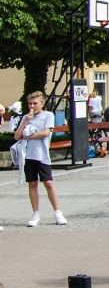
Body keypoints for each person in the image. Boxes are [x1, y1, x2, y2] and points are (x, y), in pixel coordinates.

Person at [15, 91, 65, 227]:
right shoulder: (26, 117)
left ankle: (57, 212)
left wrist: (30, 136)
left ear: (42, 104)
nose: (32, 106)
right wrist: (25, 121)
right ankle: (35, 213)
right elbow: (17, 136)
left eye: (35, 103)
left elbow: (46, 133)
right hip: (28, 155)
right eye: (30, 103)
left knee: (48, 182)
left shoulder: (48, 115)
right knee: (32, 183)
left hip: (42, 155)